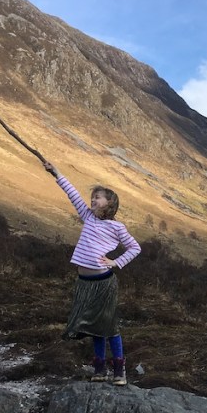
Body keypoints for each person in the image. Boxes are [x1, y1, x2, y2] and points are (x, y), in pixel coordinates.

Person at [43, 159, 140, 385]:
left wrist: (115, 262)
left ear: (109, 203)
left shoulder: (117, 227)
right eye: (92, 197)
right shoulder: (88, 217)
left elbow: (136, 247)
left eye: (97, 197)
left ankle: (119, 371)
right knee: (94, 328)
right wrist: (56, 172)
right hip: (84, 282)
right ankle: (99, 370)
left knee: (110, 327)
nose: (92, 200)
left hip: (103, 282)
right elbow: (72, 194)